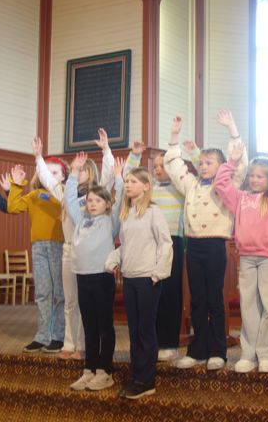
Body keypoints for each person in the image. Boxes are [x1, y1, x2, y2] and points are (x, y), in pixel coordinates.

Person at [164, 112, 246, 370]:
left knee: (214, 300)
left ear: (222, 167)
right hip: (194, 246)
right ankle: (197, 349)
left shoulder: (224, 185)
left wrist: (232, 128)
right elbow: (175, 167)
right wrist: (174, 136)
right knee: (197, 300)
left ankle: (218, 352)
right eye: (201, 162)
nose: (203, 165)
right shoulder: (192, 184)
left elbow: (240, 164)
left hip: (215, 246)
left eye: (209, 162)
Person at [33, 130, 115, 360]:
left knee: (85, 302)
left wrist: (106, 149)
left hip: (92, 254)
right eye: (76, 169)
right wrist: (39, 158)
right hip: (68, 249)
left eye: (83, 170)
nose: (78, 173)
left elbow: (109, 173)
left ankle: (83, 345)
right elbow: (49, 181)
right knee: (70, 300)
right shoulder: (66, 192)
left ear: (91, 173)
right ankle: (69, 343)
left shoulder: (97, 193)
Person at [215, 142, 268, 373]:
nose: (254, 179)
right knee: (248, 305)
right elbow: (220, 184)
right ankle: (248, 353)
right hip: (247, 258)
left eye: (260, 176)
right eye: (251, 175)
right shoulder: (240, 198)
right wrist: (232, 162)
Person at [106, 166, 173, 399]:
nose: (128, 184)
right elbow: (125, 245)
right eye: (126, 181)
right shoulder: (126, 213)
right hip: (130, 278)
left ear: (146, 186)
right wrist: (113, 259)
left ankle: (147, 380)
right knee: (134, 331)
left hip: (147, 279)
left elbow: (165, 243)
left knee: (145, 331)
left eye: (133, 181)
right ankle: (135, 375)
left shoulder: (153, 212)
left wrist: (157, 274)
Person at [64, 152, 125, 392]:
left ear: (107, 204)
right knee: (88, 325)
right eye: (89, 200)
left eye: (98, 201)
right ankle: (89, 369)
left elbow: (120, 202)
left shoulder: (111, 220)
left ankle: (105, 370)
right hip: (83, 276)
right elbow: (70, 200)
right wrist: (72, 175)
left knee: (103, 325)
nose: (92, 204)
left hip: (102, 277)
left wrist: (119, 179)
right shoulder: (80, 218)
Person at [125, 140, 186, 362]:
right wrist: (134, 155)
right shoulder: (149, 191)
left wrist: (174, 141)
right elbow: (128, 178)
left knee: (171, 294)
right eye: (156, 167)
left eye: (163, 166)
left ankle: (170, 342)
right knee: (154, 295)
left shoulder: (180, 189)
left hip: (173, 242)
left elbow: (182, 174)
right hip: (149, 245)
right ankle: (154, 340)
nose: (158, 169)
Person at [7, 161, 67, 354]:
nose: (49, 176)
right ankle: (42, 335)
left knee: (60, 293)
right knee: (42, 292)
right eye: (46, 172)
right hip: (38, 246)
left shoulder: (65, 193)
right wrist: (16, 186)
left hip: (59, 245)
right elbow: (13, 207)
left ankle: (58, 335)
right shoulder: (33, 195)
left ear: (63, 176)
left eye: (55, 172)